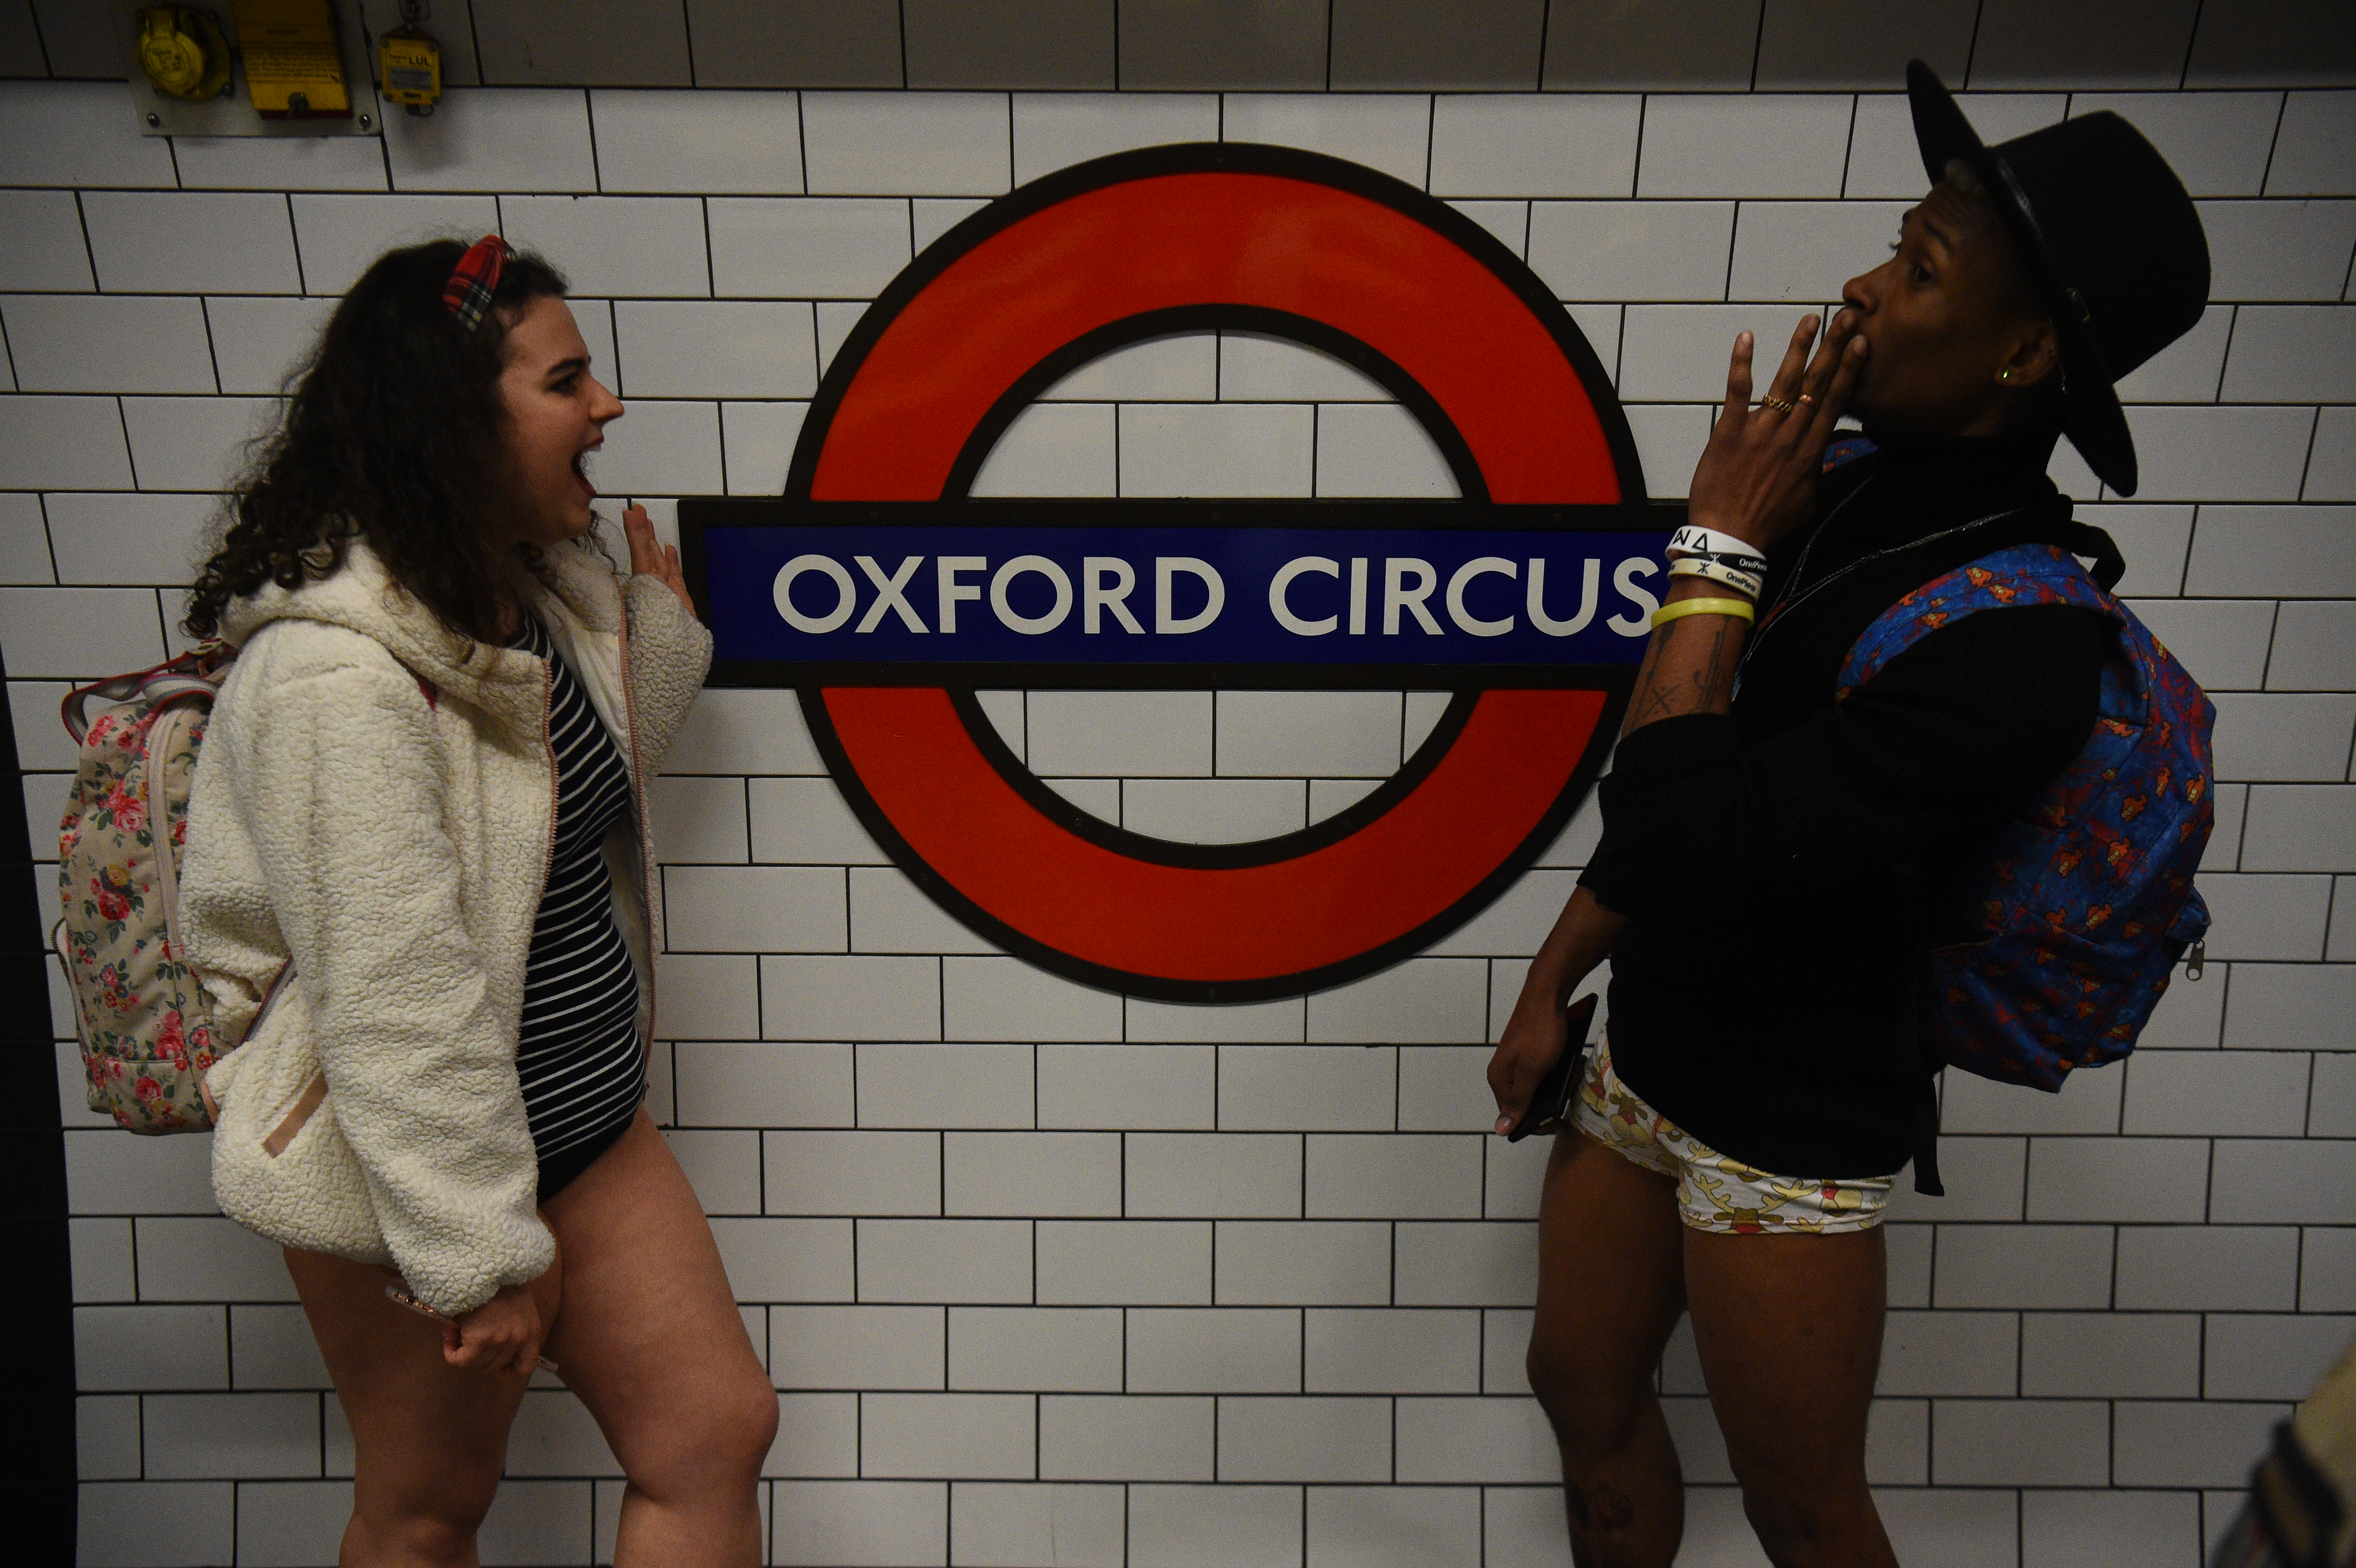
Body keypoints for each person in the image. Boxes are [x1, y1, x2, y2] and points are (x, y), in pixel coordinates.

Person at [1485, 65, 2212, 1568]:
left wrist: (1716, 545)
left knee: (1805, 1511)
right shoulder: (1847, 488)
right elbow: (1698, 778)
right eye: (1897, 242)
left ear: (2024, 356)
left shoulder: (2021, 644)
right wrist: (1558, 980)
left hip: (1793, 1127)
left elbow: (1687, 816)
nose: (1866, 289)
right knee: (1577, 1380)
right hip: (1652, 1051)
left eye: (1922, 271)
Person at [178, 237, 775, 1565]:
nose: (605, 406)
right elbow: (397, 997)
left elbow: (537, 796)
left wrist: (654, 651)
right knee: (429, 1512)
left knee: (712, 1436)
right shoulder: (335, 685)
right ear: (457, 422)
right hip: (414, 1178)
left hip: (585, 1131)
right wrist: (479, 1252)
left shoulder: (519, 593)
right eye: (569, 381)